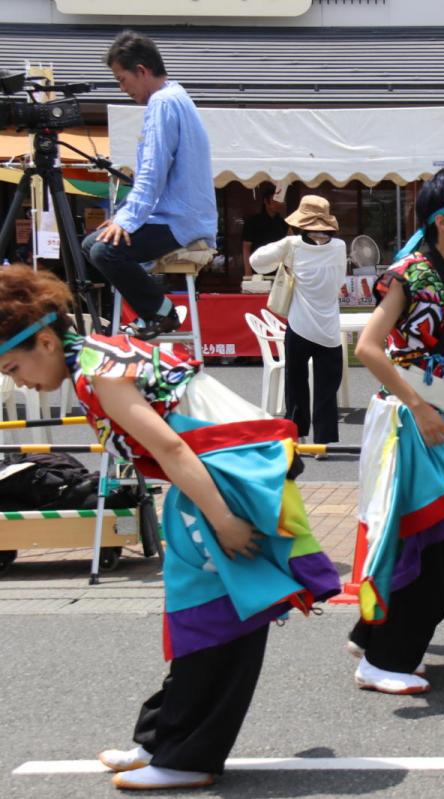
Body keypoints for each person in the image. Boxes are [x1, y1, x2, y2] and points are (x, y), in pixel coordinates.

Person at [0, 266, 339, 789]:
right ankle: (163, 738)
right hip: (220, 475)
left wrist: (225, 521)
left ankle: (188, 756)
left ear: (45, 340)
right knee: (198, 614)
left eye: (13, 365)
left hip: (223, 480)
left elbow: (171, 447)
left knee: (217, 620)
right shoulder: (99, 356)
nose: (17, 380)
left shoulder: (101, 375)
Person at [346, 167, 444, 696]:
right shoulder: (412, 272)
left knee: (439, 546)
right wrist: (420, 408)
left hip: (438, 417)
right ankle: (383, 655)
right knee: (436, 549)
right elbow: (367, 347)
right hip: (407, 423)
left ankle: (377, 637)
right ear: (441, 221)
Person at [83, 30, 216, 340]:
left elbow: (152, 172)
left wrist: (127, 219)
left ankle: (161, 311)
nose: (122, 88)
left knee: (103, 251)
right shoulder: (176, 96)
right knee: (94, 244)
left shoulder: (162, 104)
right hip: (179, 216)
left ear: (141, 70)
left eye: (121, 79)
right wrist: (122, 219)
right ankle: (153, 311)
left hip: (180, 220)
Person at [250, 195, 346, 451]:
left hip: (299, 327)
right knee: (327, 388)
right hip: (329, 330)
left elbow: (256, 261)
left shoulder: (292, 244)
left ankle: (295, 433)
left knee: (295, 384)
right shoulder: (339, 247)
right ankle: (323, 440)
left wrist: (285, 253)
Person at [241, 184, 288, 277]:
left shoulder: (283, 223)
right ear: (266, 201)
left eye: (280, 201)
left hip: (279, 270)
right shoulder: (253, 221)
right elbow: (246, 247)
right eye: (275, 201)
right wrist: (248, 272)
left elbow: (290, 245)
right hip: (257, 268)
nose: (279, 204)